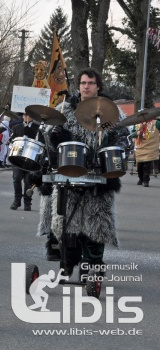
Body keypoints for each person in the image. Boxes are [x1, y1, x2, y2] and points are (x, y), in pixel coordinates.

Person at [38, 67, 130, 279]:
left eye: (90, 83)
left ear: (98, 86)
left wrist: (113, 150)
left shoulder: (113, 112)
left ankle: (92, 267)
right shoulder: (64, 109)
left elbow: (123, 141)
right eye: (83, 83)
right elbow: (50, 148)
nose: (86, 87)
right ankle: (67, 264)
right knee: (66, 223)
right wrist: (56, 138)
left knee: (97, 225)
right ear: (78, 86)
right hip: (68, 174)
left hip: (101, 177)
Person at [9, 112, 40, 211]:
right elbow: (12, 142)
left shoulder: (37, 128)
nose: (27, 117)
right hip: (18, 158)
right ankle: (16, 200)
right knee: (16, 178)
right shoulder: (16, 127)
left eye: (29, 115)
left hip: (31, 159)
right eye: (25, 115)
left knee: (28, 181)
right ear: (22, 116)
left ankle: (27, 202)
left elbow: (40, 142)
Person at [131, 118, 160, 187]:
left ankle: (146, 180)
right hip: (140, 147)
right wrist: (136, 133)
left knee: (147, 164)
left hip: (150, 147)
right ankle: (141, 178)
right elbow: (133, 134)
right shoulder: (137, 124)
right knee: (140, 165)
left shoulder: (156, 123)